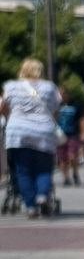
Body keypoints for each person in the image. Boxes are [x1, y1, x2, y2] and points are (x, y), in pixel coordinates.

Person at [1, 58, 63, 218]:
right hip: (43, 131)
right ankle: (42, 196)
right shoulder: (50, 87)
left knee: (23, 171)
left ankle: (30, 207)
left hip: (18, 132)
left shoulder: (11, 86)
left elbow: (2, 108)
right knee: (44, 168)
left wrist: (13, 118)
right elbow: (56, 110)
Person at [56, 87, 84, 186]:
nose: (61, 96)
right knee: (62, 158)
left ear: (68, 94)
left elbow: (82, 119)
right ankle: (66, 178)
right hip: (59, 134)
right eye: (59, 94)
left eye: (63, 93)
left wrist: (83, 133)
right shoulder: (56, 106)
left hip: (73, 134)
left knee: (72, 156)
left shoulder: (76, 105)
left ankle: (75, 173)